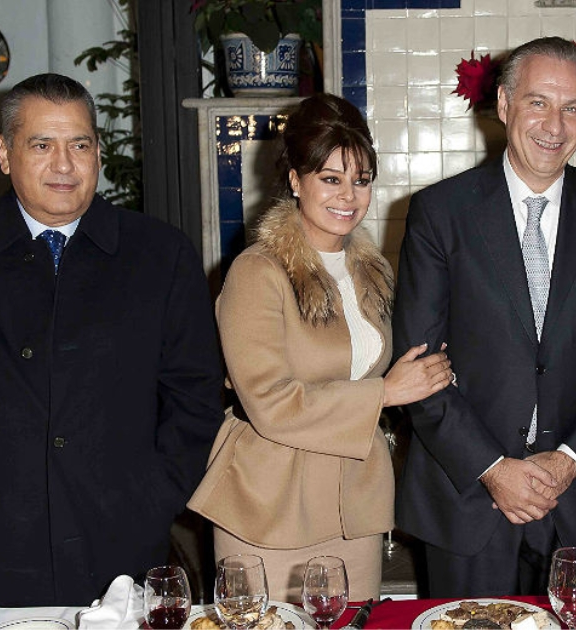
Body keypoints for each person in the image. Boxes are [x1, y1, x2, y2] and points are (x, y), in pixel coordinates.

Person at [0, 73, 225, 606]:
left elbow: (195, 397)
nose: (64, 165)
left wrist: (155, 496)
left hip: (121, 542)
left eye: (80, 144)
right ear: (5, 154)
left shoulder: (160, 255)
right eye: (41, 145)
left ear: (98, 152)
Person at [391, 36, 576, 598]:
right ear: (504, 104)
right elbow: (418, 367)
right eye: (538, 102)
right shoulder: (440, 214)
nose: (554, 125)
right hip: (467, 497)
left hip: (574, 500)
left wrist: (570, 460)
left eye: (572, 108)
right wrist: (493, 468)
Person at [187, 94, 452, 602]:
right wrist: (385, 393)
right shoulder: (257, 272)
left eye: (361, 180)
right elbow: (271, 404)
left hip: (353, 503)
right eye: (331, 179)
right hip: (267, 505)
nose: (349, 196)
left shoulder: (373, 271)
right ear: (295, 180)